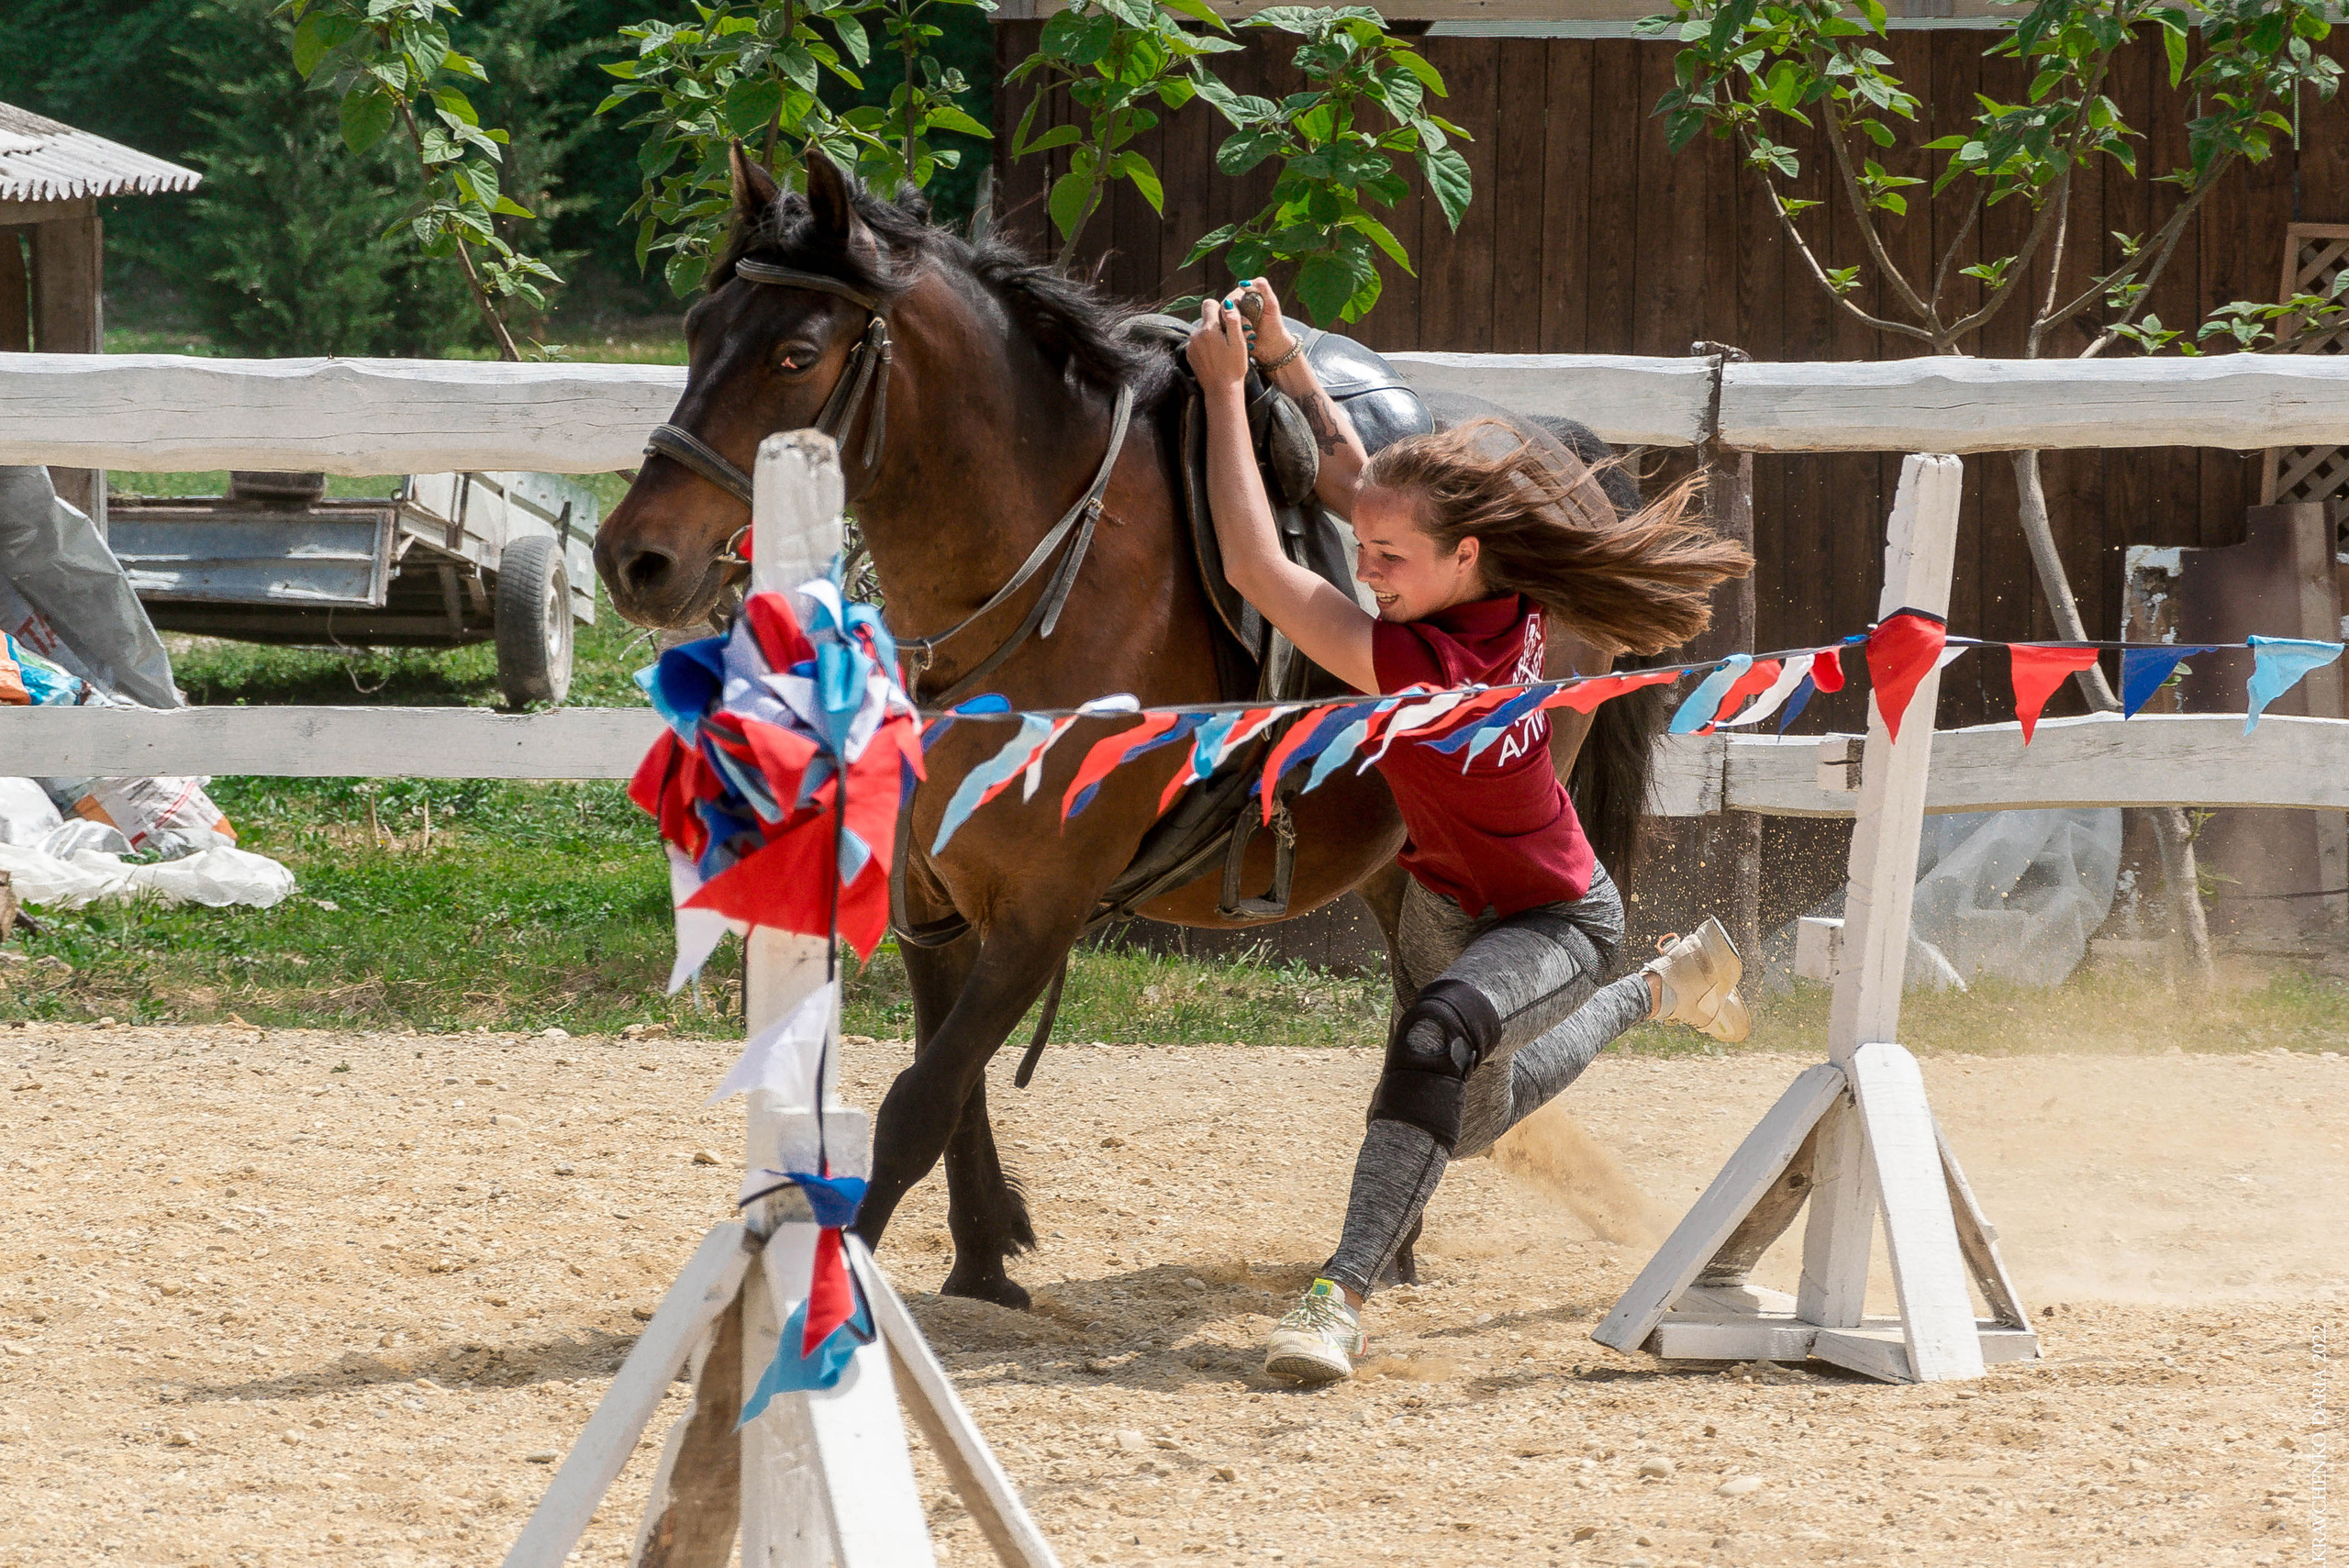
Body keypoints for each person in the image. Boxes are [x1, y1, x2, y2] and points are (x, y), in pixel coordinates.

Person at [1186, 280, 1758, 1385]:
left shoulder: (1419, 662)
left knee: (1434, 1040)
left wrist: (1223, 393)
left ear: (1463, 557)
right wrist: (1287, 361)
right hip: (1447, 907)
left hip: (1555, 916)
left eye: (1388, 559)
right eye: (1366, 552)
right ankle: (1662, 988)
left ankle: (1336, 1299)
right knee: (1473, 1112)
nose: (1367, 571)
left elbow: (1257, 567)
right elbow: (1360, 483)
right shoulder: (1480, 582)